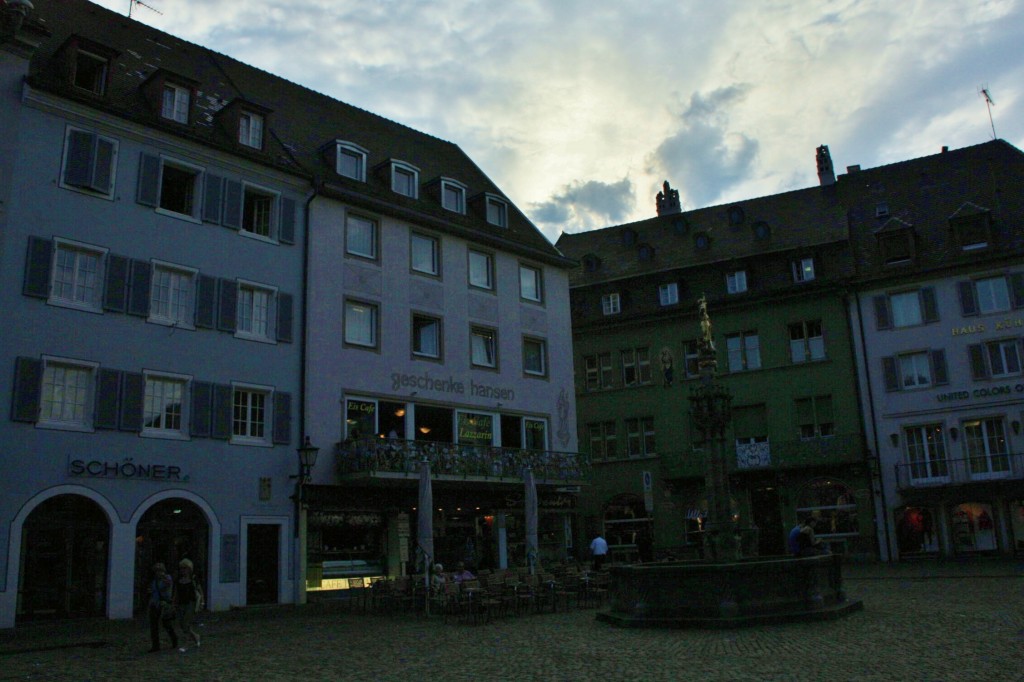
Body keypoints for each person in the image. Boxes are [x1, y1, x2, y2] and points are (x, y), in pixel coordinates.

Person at [147, 562, 178, 653]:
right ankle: (155, 645)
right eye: (157, 571)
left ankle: (174, 639)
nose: (158, 573)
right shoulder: (154, 581)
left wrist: (164, 579)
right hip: (155, 604)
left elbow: (168, 585)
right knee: (153, 625)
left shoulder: (167, 578)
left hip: (164, 604)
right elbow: (153, 592)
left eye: (160, 571)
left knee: (166, 624)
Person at [174, 558, 201, 650]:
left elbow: (199, 591)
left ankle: (186, 644)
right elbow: (176, 593)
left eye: (185, 568)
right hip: (181, 603)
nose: (183, 570)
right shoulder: (178, 580)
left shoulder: (193, 579)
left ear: (189, 569)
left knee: (186, 624)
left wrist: (201, 603)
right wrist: (174, 603)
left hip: (191, 603)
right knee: (182, 624)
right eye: (181, 568)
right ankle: (195, 637)